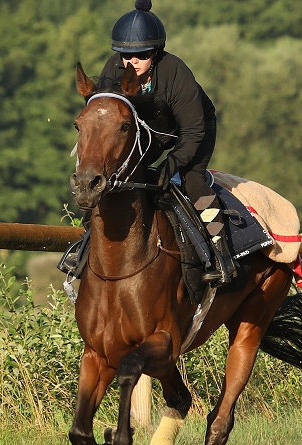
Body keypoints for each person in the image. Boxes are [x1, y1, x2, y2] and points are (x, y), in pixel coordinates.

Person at [99, 0, 236, 286]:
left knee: (191, 180)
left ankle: (222, 257)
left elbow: (193, 131)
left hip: (193, 129)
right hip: (149, 131)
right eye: (125, 54)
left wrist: (171, 164)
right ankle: (86, 248)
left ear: (155, 52)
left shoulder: (175, 72)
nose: (131, 62)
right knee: (111, 179)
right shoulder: (113, 69)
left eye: (141, 55)